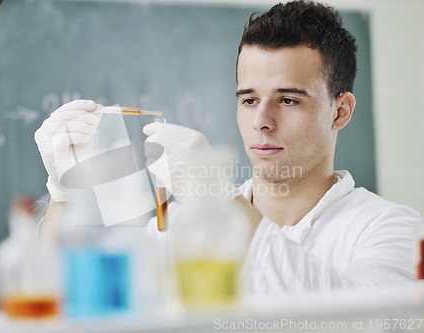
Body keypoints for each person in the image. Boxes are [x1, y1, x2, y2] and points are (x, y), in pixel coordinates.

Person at [34, 0, 423, 295]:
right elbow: (65, 296)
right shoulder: (179, 230)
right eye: (249, 100)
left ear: (340, 111)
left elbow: (353, 321)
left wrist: (219, 200)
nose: (262, 121)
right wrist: (66, 193)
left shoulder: (392, 230)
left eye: (288, 100)